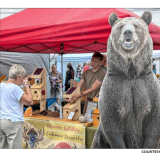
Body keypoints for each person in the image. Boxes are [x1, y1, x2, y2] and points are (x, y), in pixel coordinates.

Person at [0, 64, 33, 149]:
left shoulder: (1, 85)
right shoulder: (15, 88)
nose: (23, 80)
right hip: (13, 122)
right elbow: (30, 101)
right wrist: (27, 87)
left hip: (1, 121)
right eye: (23, 78)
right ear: (18, 76)